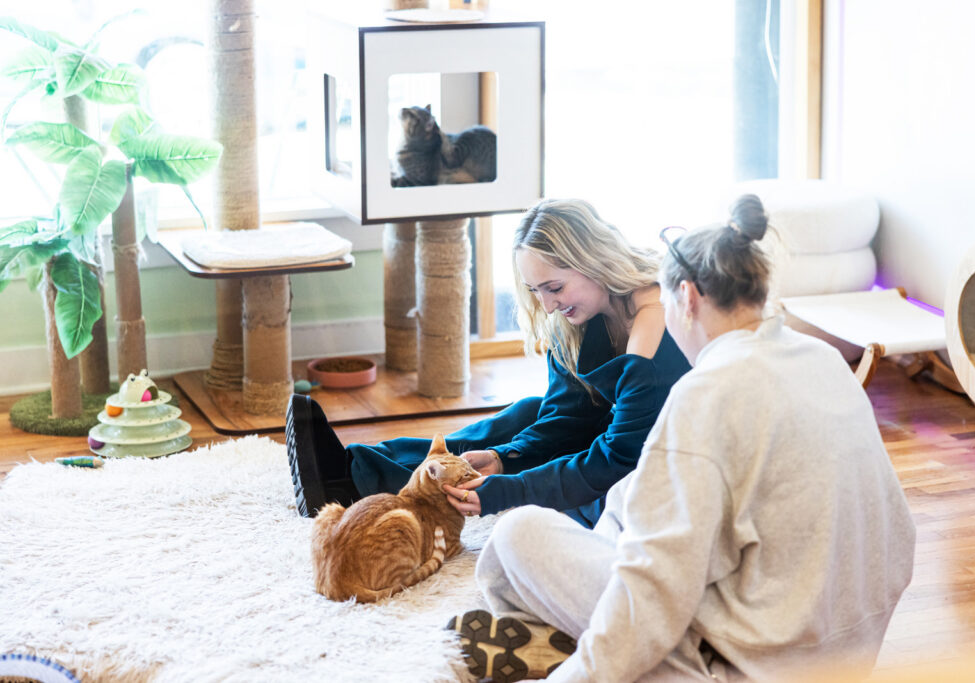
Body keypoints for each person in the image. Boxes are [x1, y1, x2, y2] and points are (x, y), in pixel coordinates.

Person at [448, 194, 917, 682]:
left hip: (746, 665)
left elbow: (654, 592)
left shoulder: (706, 393)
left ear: (688, 299)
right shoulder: (825, 361)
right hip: (852, 653)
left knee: (516, 536)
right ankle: (567, 639)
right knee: (627, 502)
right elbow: (900, 534)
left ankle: (571, 650)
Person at [285, 198, 690, 526]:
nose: (547, 306)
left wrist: (506, 490)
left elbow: (618, 459)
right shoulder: (583, 318)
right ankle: (353, 470)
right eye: (536, 291)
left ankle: (353, 479)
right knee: (527, 416)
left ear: (593, 261)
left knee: (549, 454)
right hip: (617, 437)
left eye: (554, 288)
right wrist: (502, 457)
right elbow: (568, 415)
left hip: (652, 460)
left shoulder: (655, 316)